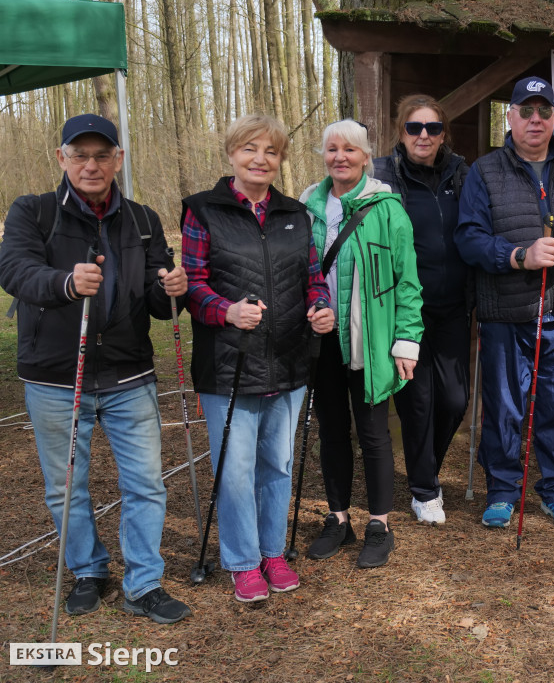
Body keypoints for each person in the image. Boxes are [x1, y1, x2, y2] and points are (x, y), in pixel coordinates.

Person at [0, 113, 192, 624]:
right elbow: (14, 270)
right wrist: (65, 282)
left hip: (129, 374)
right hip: (56, 375)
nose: (91, 164)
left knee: (147, 483)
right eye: (79, 154)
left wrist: (172, 288)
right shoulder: (33, 212)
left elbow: (157, 297)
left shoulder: (144, 219)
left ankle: (144, 582)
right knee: (65, 486)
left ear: (118, 160)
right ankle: (87, 571)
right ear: (61, 159)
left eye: (102, 154)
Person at [181, 115, 334, 603]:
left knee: (279, 465)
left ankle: (273, 552)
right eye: (250, 149)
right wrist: (228, 311)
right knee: (235, 468)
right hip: (230, 363)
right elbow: (193, 284)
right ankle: (244, 561)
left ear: (280, 159)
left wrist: (321, 308)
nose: (260, 159)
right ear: (232, 153)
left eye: (270, 151)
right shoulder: (203, 212)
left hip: (288, 362)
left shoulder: (296, 214)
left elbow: (313, 278)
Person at [456, 76, 554, 530]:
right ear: (510, 117)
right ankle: (504, 492)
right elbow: (468, 239)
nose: (534, 119)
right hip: (505, 312)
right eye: (525, 110)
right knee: (505, 406)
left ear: (553, 118)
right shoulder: (485, 171)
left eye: (543, 111)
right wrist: (516, 256)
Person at [300, 119, 423, 567]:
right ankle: (338, 519)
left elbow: (407, 281)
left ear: (366, 156)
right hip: (321, 339)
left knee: (372, 433)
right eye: (332, 149)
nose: (340, 157)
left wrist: (407, 340)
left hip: (370, 342)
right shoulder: (308, 207)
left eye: (350, 150)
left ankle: (379, 525)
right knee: (331, 430)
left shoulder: (387, 208)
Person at [373, 95, 471, 526]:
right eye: (414, 128)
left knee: (453, 400)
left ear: (443, 133)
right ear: (401, 133)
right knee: (418, 401)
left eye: (432, 128)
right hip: (404, 311)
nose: (424, 136)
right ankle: (424, 489)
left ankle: (424, 466)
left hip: (452, 307)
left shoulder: (461, 174)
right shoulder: (380, 176)